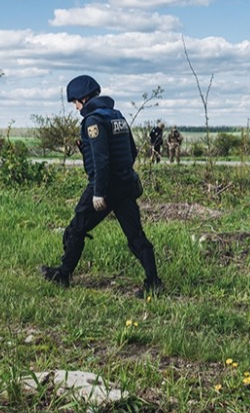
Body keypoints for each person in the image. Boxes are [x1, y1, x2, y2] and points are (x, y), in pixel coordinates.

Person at [41, 75, 163, 299]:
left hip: (104, 185)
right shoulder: (117, 117)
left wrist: (99, 192)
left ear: (84, 98)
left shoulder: (93, 121)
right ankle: (153, 281)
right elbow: (131, 151)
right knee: (136, 236)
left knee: (76, 229)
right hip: (126, 183)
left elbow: (101, 160)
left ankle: (63, 274)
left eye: (75, 102)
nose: (75, 106)